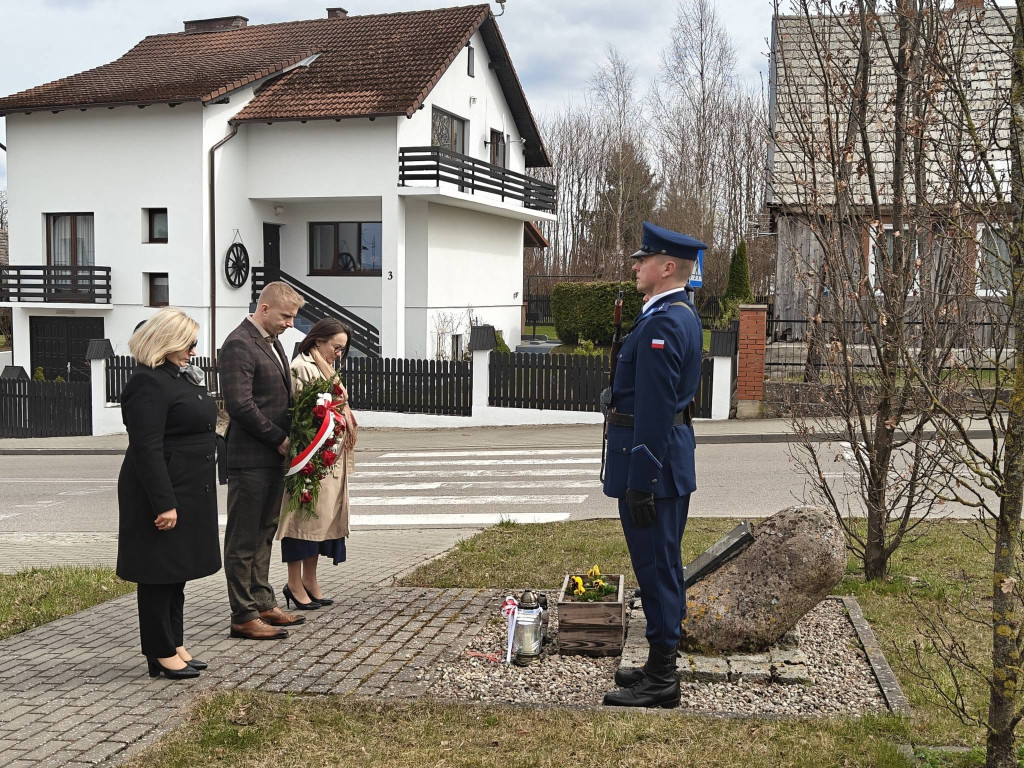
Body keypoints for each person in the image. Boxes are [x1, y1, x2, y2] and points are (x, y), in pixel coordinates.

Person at [601, 221, 705, 709]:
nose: (636, 266)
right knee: (660, 566)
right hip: (664, 467)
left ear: (667, 267)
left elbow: (657, 410)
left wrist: (640, 481)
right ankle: (657, 664)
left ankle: (663, 677)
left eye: (643, 259)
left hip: (654, 472)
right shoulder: (674, 313)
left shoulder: (665, 321)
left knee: (657, 569)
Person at [116, 308, 221, 680]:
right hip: (162, 491)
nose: (194, 349)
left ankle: (173, 643)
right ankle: (159, 651)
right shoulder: (147, 382)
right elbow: (146, 448)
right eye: (189, 342)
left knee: (176, 571)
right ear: (167, 341)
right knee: (158, 573)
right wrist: (164, 503)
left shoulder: (175, 376)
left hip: (188, 487)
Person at [221, 281, 307, 640]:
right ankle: (243, 614)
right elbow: (240, 405)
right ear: (265, 308)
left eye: (293, 318)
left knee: (264, 533)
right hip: (251, 457)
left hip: (272, 458)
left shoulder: (273, 343)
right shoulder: (240, 343)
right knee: (243, 539)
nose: (290, 324)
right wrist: (280, 439)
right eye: (286, 316)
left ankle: (262, 601)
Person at [277, 318, 358, 609]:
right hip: (309, 458)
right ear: (317, 341)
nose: (339, 354)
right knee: (302, 520)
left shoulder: (326, 368)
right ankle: (294, 582)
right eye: (336, 347)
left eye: (342, 349)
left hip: (329, 458)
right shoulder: (302, 368)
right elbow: (302, 412)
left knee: (320, 523)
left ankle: (310, 580)